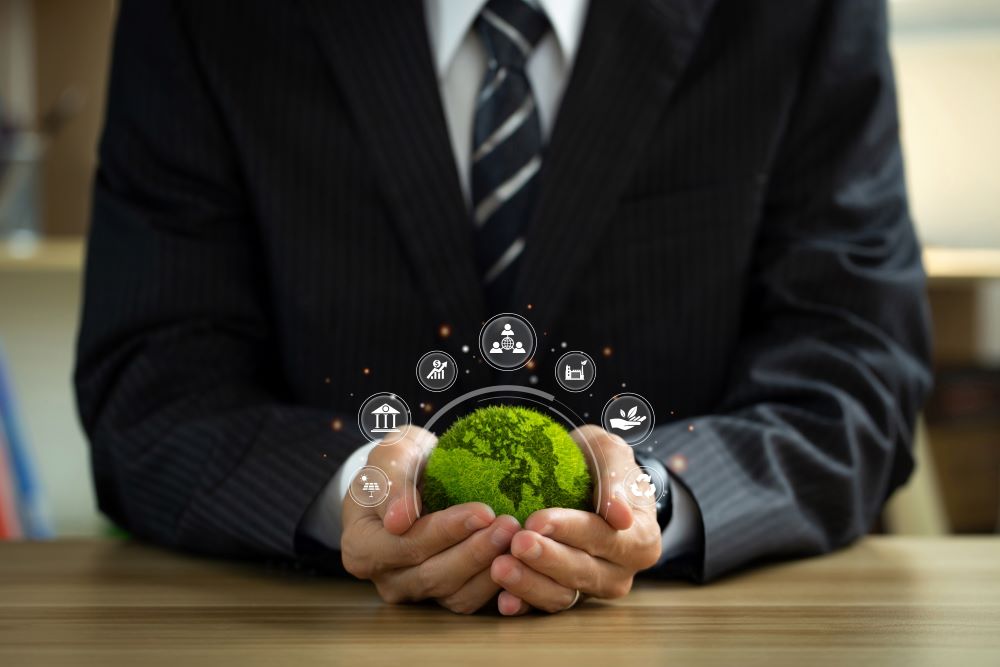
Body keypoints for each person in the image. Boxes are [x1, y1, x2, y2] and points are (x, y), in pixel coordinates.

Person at [75, 0, 931, 616]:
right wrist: (352, 493)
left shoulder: (804, 16)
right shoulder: (202, 18)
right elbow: (151, 386)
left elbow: (855, 374)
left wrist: (648, 499)